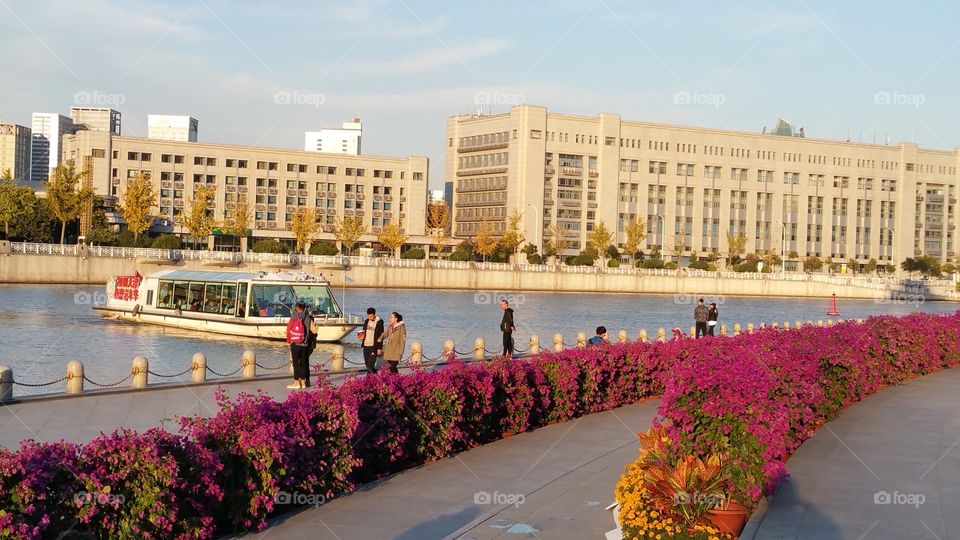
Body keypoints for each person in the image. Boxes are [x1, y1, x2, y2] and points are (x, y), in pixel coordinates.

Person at [286, 302, 315, 390]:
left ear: (296, 307)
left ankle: (296, 382)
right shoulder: (308, 317)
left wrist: (288, 341)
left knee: (295, 363)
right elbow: (314, 331)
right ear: (305, 308)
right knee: (303, 363)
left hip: (295, 343)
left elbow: (288, 329)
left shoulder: (294, 316)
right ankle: (303, 382)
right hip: (305, 344)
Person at [357, 307, 384, 374]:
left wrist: (379, 348)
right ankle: (369, 381)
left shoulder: (379, 322)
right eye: (368, 316)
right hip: (366, 345)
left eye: (371, 316)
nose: (370, 317)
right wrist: (361, 336)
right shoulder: (366, 321)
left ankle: (377, 379)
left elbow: (381, 336)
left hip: (374, 346)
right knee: (367, 365)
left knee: (370, 365)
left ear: (374, 315)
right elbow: (363, 331)